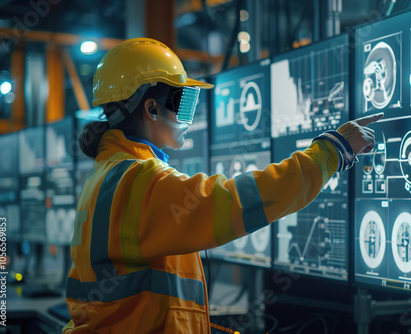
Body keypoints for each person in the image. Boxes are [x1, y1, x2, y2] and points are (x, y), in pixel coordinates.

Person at [63, 37, 383, 334]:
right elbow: (237, 200)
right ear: (151, 108)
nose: (189, 115)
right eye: (184, 102)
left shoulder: (108, 173)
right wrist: (332, 151)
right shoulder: (139, 180)